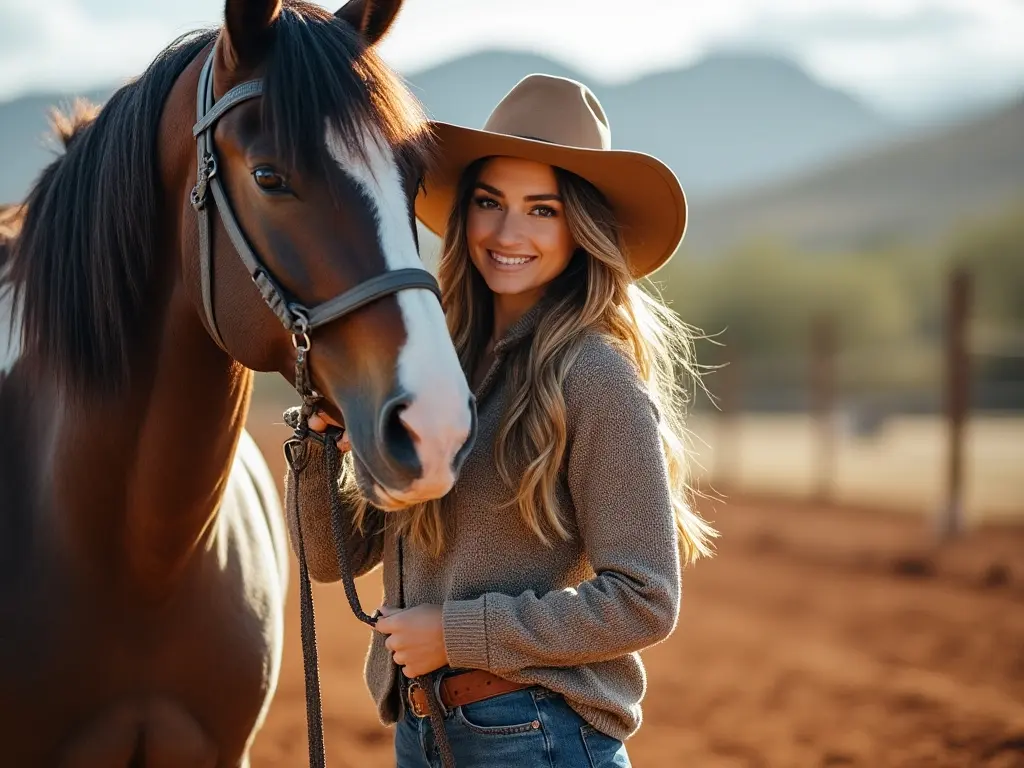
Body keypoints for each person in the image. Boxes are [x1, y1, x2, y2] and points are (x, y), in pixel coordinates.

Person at [291, 73, 718, 767]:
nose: (508, 232)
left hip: (536, 735)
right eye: (490, 202)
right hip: (423, 730)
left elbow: (646, 599)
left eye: (541, 210)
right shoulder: (436, 368)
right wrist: (318, 451)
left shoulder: (594, 375)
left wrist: (458, 634)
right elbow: (331, 558)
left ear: (581, 229)